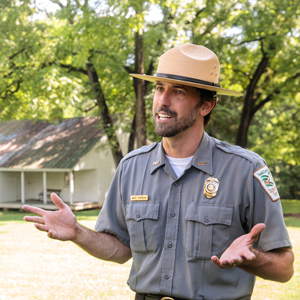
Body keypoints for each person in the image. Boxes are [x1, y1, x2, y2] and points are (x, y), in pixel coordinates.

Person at [23, 43, 294, 300]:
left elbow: (284, 268)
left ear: (206, 105)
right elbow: (120, 250)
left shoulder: (245, 170)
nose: (162, 101)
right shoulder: (132, 167)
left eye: (178, 91)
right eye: (159, 88)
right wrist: (78, 232)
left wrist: (252, 258)